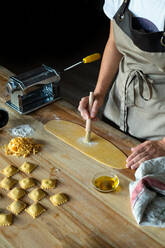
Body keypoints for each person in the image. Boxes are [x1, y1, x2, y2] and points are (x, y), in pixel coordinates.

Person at [78, 0, 165, 170]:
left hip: (158, 129)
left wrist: (162, 145)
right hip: (117, 109)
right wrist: (100, 92)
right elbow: (114, 43)